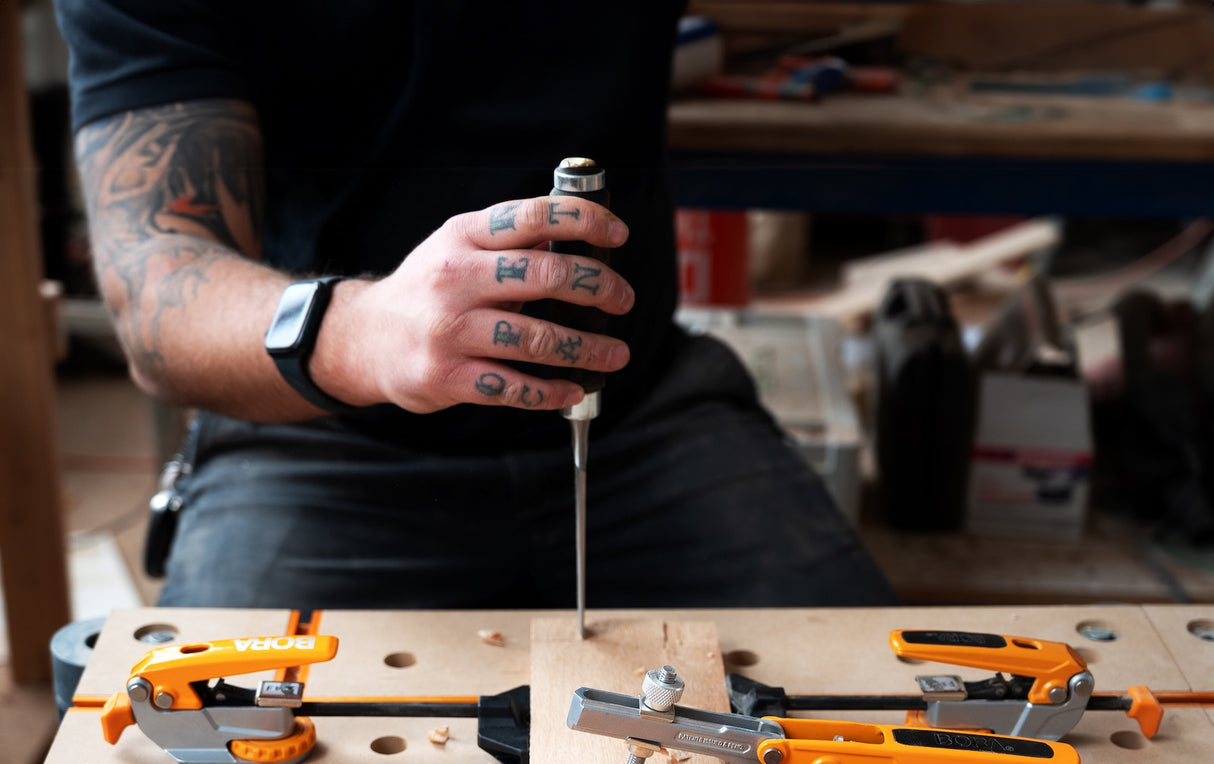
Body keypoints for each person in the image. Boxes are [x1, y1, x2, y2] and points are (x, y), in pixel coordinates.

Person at [54, 1, 895, 610]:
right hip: (322, 442)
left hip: (640, 416)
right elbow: (157, 293)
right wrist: (363, 336)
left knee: (861, 742)